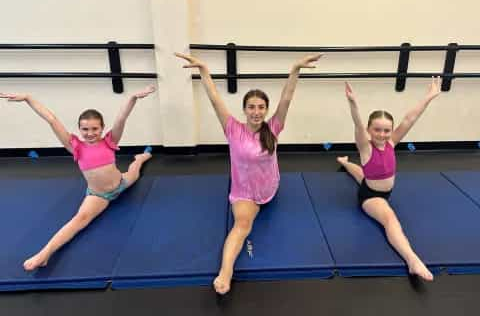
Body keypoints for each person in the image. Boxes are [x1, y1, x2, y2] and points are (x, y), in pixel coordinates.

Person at [175, 52, 323, 294]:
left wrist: (295, 69)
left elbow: (286, 99)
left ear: (266, 110)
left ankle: (227, 269)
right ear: (244, 109)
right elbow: (214, 99)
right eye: (251, 107)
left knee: (246, 221)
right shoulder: (232, 128)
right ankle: (226, 272)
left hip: (269, 187)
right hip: (245, 192)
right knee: (242, 225)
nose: (256, 111)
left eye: (261, 107)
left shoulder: (273, 127)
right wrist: (203, 70)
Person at [0, 85, 155, 271]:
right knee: (79, 220)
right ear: (79, 129)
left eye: (95, 129)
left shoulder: (110, 141)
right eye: (85, 129)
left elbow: (122, 118)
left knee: (135, 170)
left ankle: (141, 157)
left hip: (120, 183)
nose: (90, 133)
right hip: (99, 196)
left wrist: (133, 98)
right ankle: (45, 254)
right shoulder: (75, 147)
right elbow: (51, 119)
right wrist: (28, 98)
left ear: (102, 128)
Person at [336, 77, 441, 281]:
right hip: (371, 197)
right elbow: (358, 125)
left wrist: (428, 97)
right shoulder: (366, 148)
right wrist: (353, 103)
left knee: (360, 173)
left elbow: (410, 119)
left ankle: (345, 162)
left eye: (386, 130)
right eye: (377, 130)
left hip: (374, 183)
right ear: (369, 131)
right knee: (390, 219)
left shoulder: (392, 142)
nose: (382, 134)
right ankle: (412, 260)